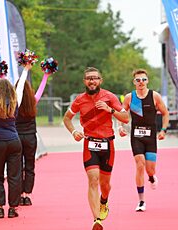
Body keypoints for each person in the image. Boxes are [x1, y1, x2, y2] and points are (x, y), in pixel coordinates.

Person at [63, 67, 129, 230]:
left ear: (101, 80)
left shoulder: (110, 97)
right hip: (89, 144)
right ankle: (96, 220)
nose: (92, 81)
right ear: (84, 81)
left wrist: (110, 110)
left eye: (95, 78)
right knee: (93, 180)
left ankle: (104, 201)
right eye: (88, 78)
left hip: (108, 145)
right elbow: (67, 118)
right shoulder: (79, 100)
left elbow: (126, 118)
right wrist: (74, 131)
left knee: (105, 185)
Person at [118, 68, 169, 212]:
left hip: (151, 137)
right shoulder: (129, 97)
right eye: (138, 80)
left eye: (144, 80)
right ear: (134, 82)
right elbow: (122, 114)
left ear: (148, 81)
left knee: (149, 168)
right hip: (136, 136)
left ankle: (152, 177)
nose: (141, 82)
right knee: (139, 164)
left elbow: (165, 113)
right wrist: (121, 127)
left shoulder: (155, 96)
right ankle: (141, 201)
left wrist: (163, 130)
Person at [0, 64, 29, 218]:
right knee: (14, 176)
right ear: (11, 90)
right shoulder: (15, 100)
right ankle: (13, 208)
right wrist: (26, 69)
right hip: (13, 141)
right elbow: (21, 85)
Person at [15, 69, 51, 206]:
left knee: (16, 167)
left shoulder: (14, 104)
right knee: (30, 166)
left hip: (16, 137)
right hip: (30, 137)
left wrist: (2, 76)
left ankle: (17, 194)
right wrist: (45, 76)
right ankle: (26, 195)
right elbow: (41, 88)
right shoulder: (33, 101)